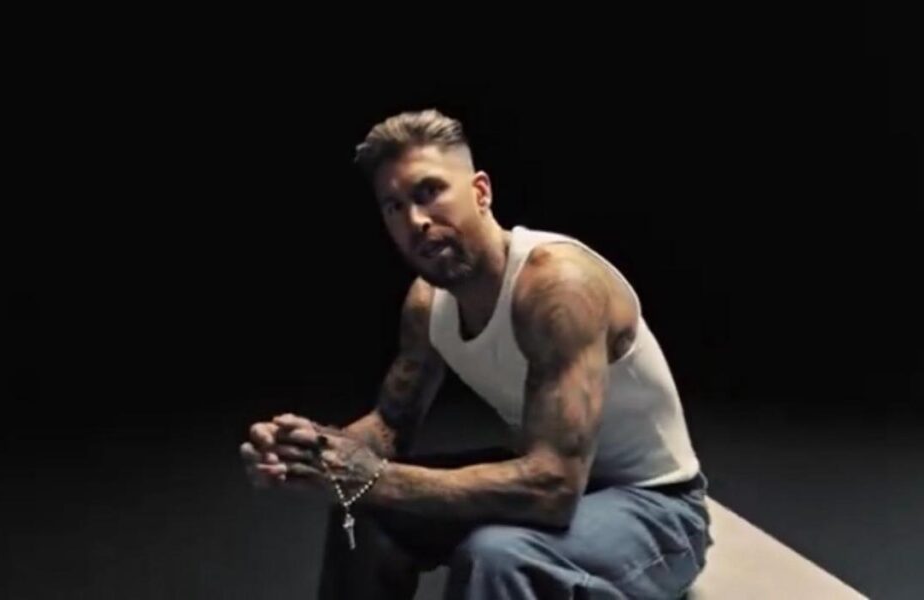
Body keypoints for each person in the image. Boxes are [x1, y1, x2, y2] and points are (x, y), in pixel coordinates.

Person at [240, 109, 713, 599]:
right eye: (394, 207)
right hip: (559, 478)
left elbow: (554, 487)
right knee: (364, 506)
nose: (416, 221)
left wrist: (371, 476)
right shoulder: (427, 303)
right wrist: (310, 449)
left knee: (496, 555)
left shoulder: (557, 287)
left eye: (429, 192)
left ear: (481, 192)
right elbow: (389, 427)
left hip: (660, 511)